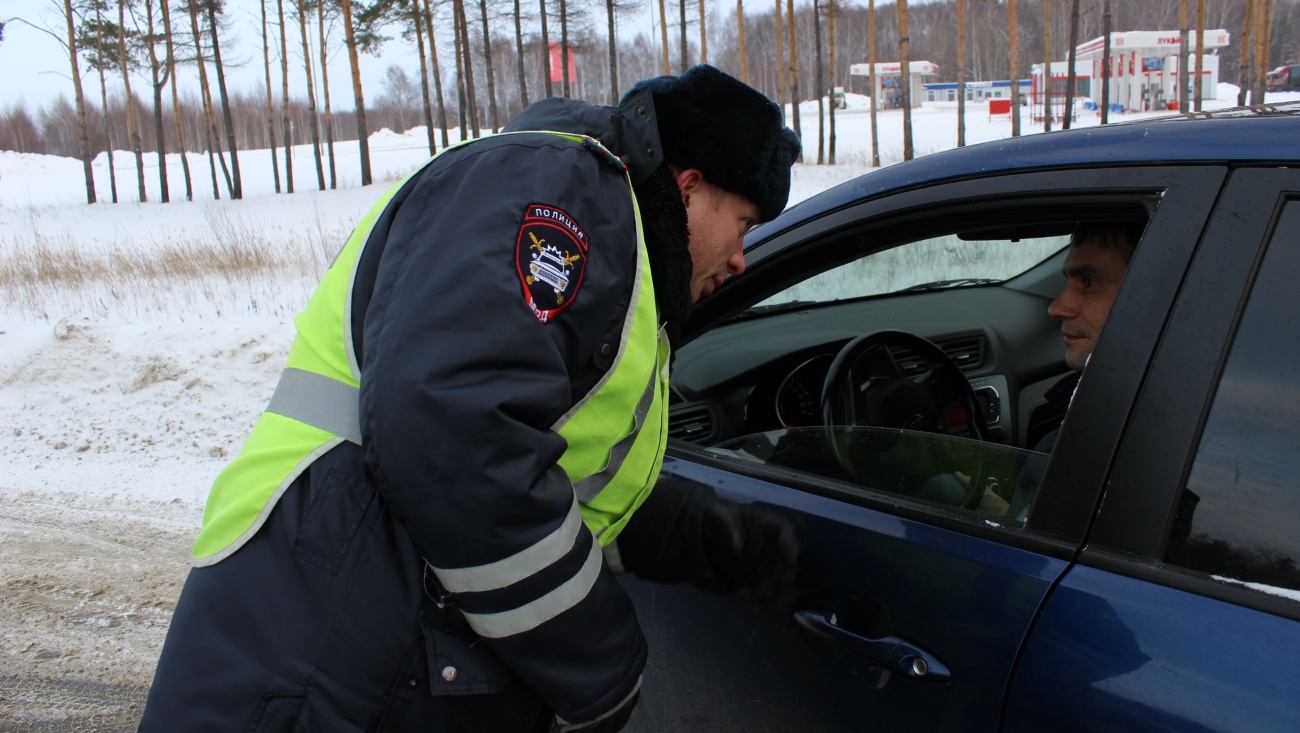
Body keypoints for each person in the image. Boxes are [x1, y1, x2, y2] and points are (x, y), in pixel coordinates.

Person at [139, 65, 801, 733]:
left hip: (374, 636)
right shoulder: (563, 196)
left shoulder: (620, 252)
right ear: (689, 188)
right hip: (318, 645)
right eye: (744, 223)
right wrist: (600, 663)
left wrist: (688, 531)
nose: (743, 256)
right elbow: (450, 430)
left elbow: (547, 457)